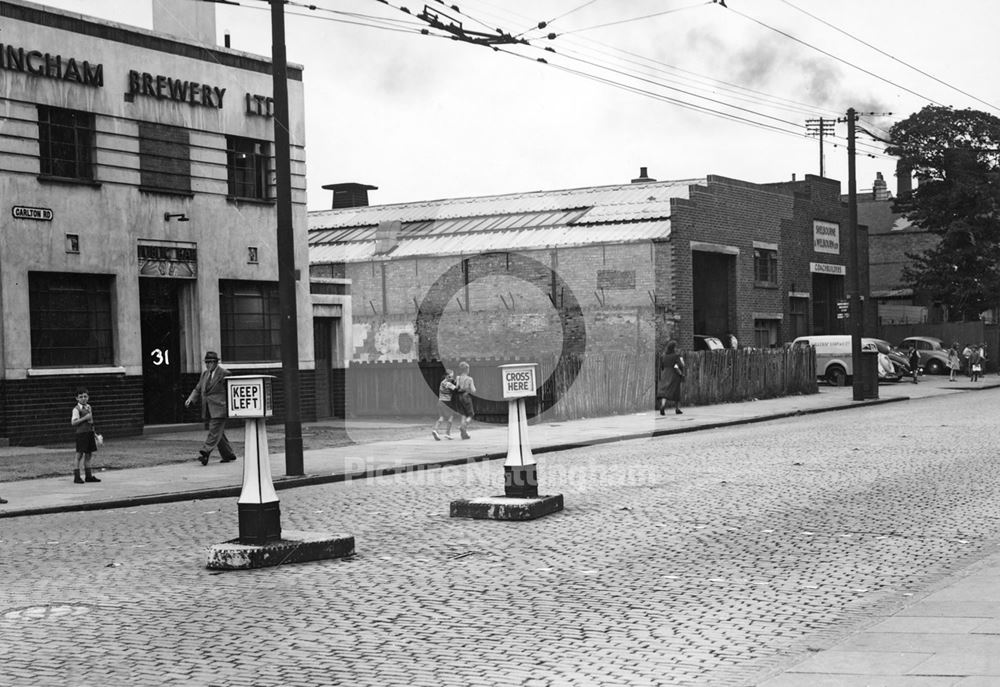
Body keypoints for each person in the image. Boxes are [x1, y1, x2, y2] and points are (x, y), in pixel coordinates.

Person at [185, 351, 238, 465]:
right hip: (208, 408)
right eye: (206, 362)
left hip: (220, 408)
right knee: (218, 433)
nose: (208, 365)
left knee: (213, 430)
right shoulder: (204, 374)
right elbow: (198, 388)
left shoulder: (224, 374)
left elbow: (231, 391)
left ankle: (205, 452)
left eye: (210, 362)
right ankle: (228, 454)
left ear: (216, 363)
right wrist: (191, 398)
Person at [71, 387, 100, 483]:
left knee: (89, 454)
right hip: (81, 434)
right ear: (77, 398)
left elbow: (91, 422)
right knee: (79, 455)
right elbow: (73, 423)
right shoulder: (76, 409)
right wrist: (85, 418)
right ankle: (77, 477)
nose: (83, 398)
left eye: (85, 396)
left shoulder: (88, 407)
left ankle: (89, 476)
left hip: (89, 432)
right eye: (81, 397)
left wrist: (94, 433)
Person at [656, 340, 686, 415]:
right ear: (673, 348)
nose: (677, 348)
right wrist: (682, 360)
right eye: (676, 347)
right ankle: (677, 408)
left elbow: (662, 366)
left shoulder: (664, 356)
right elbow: (681, 365)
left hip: (665, 374)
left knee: (665, 391)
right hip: (674, 374)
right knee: (676, 391)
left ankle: (662, 405)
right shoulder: (676, 356)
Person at [432, 369, 457, 440]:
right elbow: (456, 389)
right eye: (450, 376)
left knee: (441, 418)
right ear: (446, 376)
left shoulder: (442, 382)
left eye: (452, 376)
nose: (451, 378)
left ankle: (435, 430)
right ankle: (447, 433)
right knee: (451, 417)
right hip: (447, 403)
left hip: (440, 402)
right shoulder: (447, 384)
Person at [453, 361, 476, 440]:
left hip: (459, 397)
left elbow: (456, 387)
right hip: (466, 397)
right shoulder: (470, 379)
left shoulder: (458, 378)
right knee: (470, 415)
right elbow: (473, 390)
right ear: (467, 369)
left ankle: (464, 434)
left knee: (463, 415)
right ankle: (463, 426)